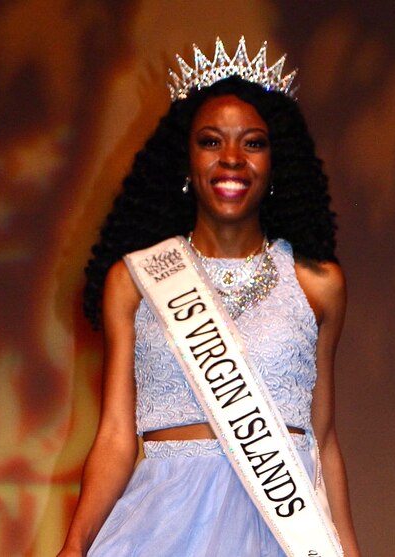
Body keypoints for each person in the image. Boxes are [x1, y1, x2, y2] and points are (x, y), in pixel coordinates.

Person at [59, 38, 361, 557]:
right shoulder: (135, 281)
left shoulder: (318, 284)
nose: (232, 160)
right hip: (163, 527)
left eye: (253, 143)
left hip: (281, 533)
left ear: (275, 163)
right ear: (185, 160)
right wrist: (75, 544)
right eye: (211, 141)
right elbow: (114, 435)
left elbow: (323, 438)